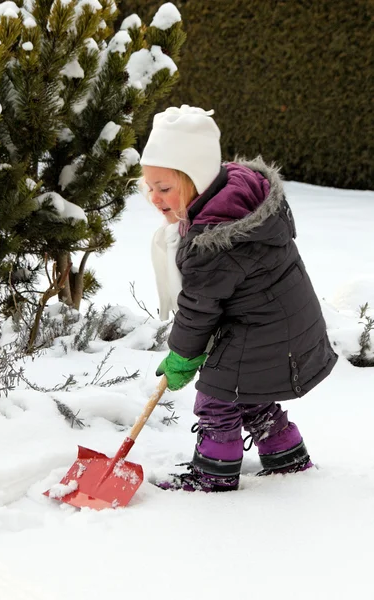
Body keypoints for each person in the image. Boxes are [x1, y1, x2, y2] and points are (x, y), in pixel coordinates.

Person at [140, 105, 338, 492]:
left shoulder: (214, 242)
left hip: (266, 328)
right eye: (149, 187)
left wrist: (182, 355)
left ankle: (215, 475)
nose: (154, 198)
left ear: (197, 179)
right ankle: (288, 458)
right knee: (246, 392)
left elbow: (199, 309)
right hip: (281, 321)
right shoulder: (236, 196)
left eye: (165, 188)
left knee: (216, 398)